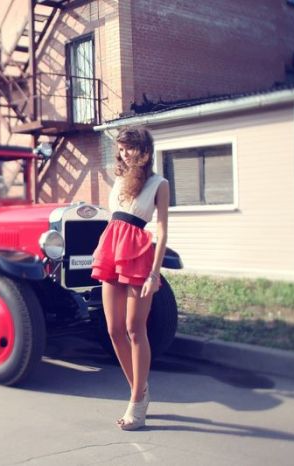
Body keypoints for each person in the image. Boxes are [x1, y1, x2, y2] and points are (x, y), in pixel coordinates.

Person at [91, 126, 169, 431]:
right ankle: (142, 390)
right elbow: (115, 220)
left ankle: (136, 402)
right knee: (113, 329)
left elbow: (161, 230)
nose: (124, 153)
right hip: (111, 250)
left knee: (135, 329)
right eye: (120, 149)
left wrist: (154, 272)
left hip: (139, 256)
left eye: (129, 148)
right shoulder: (119, 181)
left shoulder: (158, 183)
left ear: (144, 151)